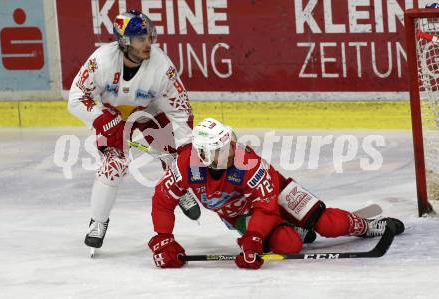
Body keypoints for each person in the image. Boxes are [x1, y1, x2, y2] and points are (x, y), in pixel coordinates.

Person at [147, 118, 405, 269]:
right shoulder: (184, 165)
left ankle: (364, 226)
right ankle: (298, 231)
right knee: (289, 244)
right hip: (240, 214)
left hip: (276, 193)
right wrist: (163, 238)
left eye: (229, 143)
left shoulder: (245, 161)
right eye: (222, 148)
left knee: (327, 223)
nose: (231, 149)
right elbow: (162, 201)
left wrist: (255, 238)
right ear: (203, 155)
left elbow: (266, 205)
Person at [68, 10, 200, 252]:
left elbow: (181, 109)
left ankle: (179, 188)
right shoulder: (101, 61)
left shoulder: (162, 67)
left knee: (171, 156)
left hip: (149, 110)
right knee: (113, 166)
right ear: (124, 42)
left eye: (150, 37)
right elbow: (76, 98)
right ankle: (98, 222)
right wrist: (101, 119)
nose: (148, 43)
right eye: (141, 39)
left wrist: (184, 146)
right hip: (112, 115)